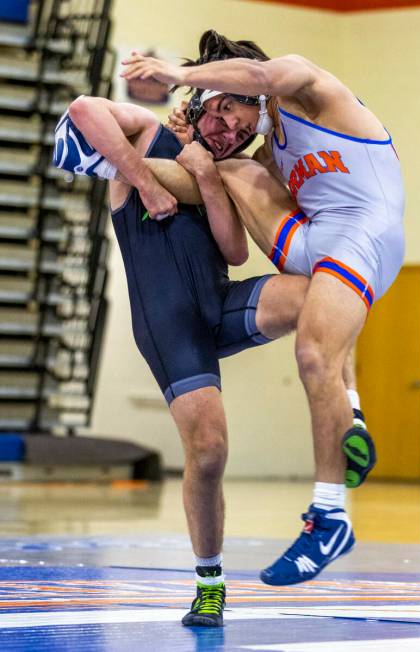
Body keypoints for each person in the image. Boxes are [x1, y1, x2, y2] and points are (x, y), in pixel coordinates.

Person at [54, 89, 365, 626]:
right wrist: (148, 184)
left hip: (219, 304)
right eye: (221, 116)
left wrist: (206, 177)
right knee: (209, 452)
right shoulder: (146, 137)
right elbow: (82, 111)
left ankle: (353, 412)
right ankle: (209, 583)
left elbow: (235, 253)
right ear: (198, 107)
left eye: (241, 131)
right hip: (170, 324)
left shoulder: (223, 170)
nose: (228, 132)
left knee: (330, 288)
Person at [120, 28, 404, 587]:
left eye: (238, 111)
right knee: (227, 173)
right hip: (312, 236)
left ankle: (329, 515)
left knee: (313, 354)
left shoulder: (302, 80)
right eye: (219, 113)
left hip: (362, 230)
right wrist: (157, 156)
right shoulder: (266, 148)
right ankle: (354, 413)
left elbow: (259, 76)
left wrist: (172, 75)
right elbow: (213, 182)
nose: (233, 125)